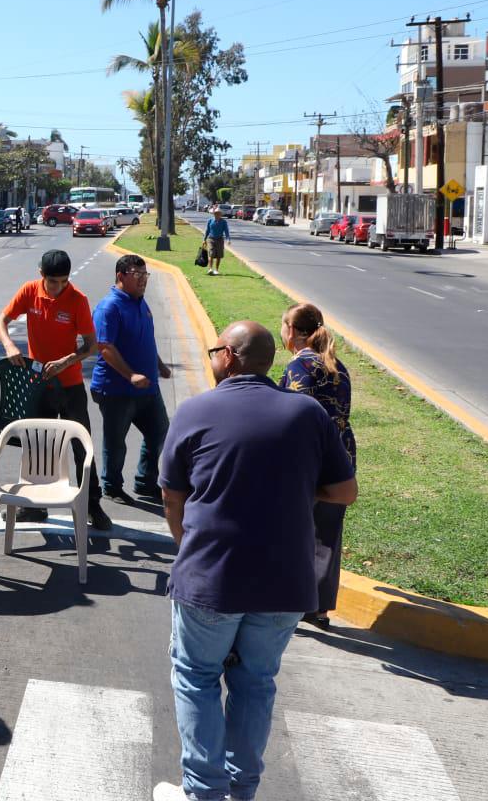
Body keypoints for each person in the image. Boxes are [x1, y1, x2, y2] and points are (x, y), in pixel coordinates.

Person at [152, 322, 357, 801]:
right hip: (284, 582)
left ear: (229, 355)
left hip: (210, 577)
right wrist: (300, 487)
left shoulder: (196, 410)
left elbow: (171, 497)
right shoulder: (307, 414)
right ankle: (241, 791)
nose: (210, 358)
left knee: (197, 678)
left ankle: (203, 791)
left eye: (212, 351)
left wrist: (186, 547)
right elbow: (345, 492)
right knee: (256, 682)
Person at [0, 249, 109, 531]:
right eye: (53, 282)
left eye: (63, 282)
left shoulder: (77, 300)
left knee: (81, 446)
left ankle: (92, 504)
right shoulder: (30, 291)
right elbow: (1, 321)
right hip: (40, 386)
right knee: (39, 448)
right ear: (41, 274)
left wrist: (67, 360)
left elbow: (92, 345)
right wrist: (10, 346)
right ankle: (35, 507)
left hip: (69, 386)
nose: (58, 288)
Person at [278, 303, 355, 631]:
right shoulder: (338, 365)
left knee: (294, 532)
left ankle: (293, 602)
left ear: (292, 332)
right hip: (341, 458)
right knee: (327, 535)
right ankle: (320, 610)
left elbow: (292, 419)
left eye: (284, 326)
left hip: (307, 462)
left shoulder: (299, 368)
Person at [91, 254, 172, 506]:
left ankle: (146, 481)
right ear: (120, 276)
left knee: (159, 430)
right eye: (138, 275)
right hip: (116, 389)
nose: (143, 281)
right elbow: (104, 346)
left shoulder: (140, 302)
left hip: (147, 388)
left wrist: (159, 365)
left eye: (145, 275)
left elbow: (145, 338)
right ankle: (112, 486)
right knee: (116, 442)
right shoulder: (109, 307)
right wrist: (131, 374)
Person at [203, 208, 230, 276]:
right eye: (215, 213)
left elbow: (226, 231)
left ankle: (216, 270)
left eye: (218, 213)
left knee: (219, 256)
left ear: (220, 214)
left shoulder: (224, 222)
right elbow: (207, 230)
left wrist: (228, 239)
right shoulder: (210, 220)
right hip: (211, 239)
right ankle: (210, 269)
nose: (217, 214)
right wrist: (204, 239)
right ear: (213, 214)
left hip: (220, 239)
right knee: (211, 254)